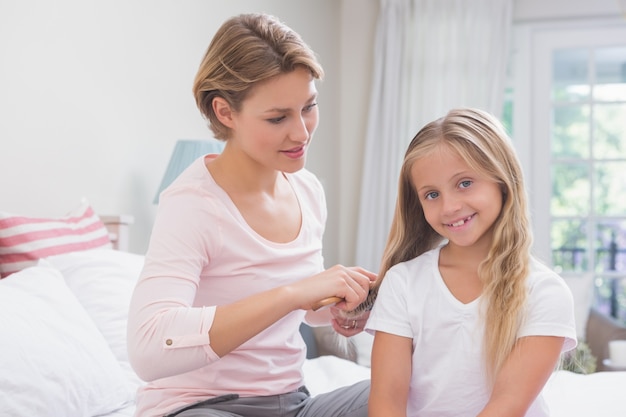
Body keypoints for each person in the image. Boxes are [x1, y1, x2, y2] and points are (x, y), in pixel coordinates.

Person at [127, 13, 376, 417]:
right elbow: (149, 348)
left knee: (417, 392)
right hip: (203, 406)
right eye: (278, 118)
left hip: (293, 402)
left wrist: (336, 307)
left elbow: (302, 307)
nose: (302, 132)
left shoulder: (308, 191)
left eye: (308, 107)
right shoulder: (193, 204)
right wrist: (292, 295)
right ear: (225, 112)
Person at [365, 108, 577, 417]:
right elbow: (386, 402)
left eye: (465, 183)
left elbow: (506, 406)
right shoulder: (403, 282)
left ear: (502, 181)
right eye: (432, 194)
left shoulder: (546, 292)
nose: (449, 207)